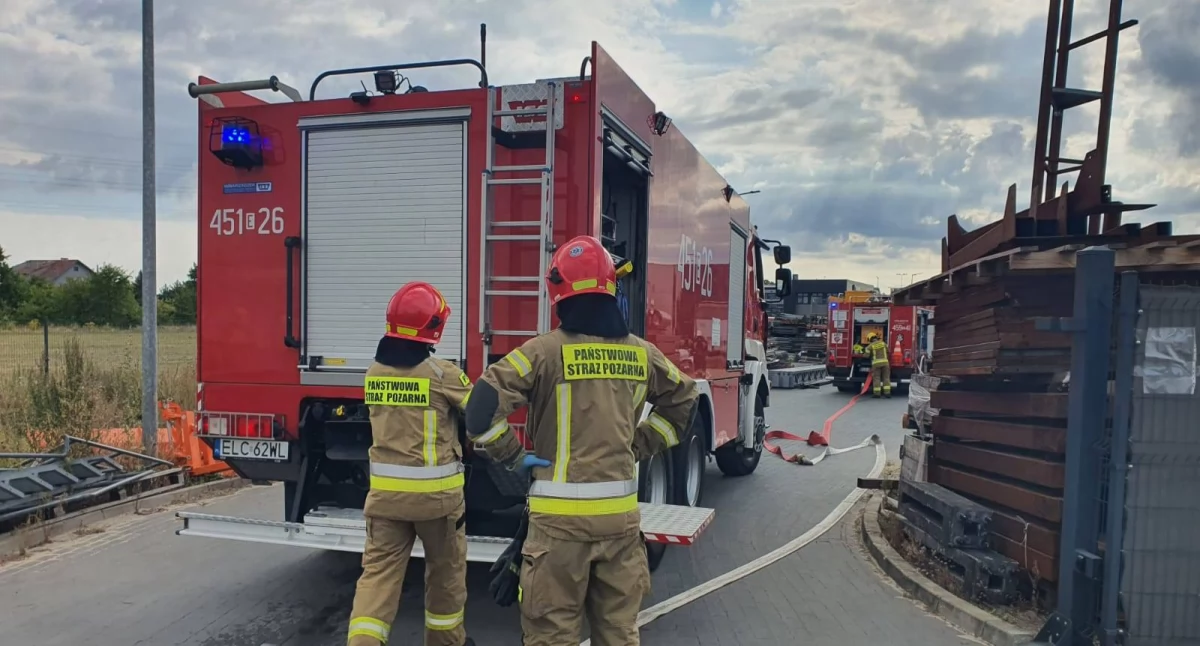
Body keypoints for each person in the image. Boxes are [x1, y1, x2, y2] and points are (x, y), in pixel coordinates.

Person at [464, 235, 699, 646]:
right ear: (611, 289)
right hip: (620, 526)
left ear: (557, 291)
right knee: (619, 635)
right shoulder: (642, 354)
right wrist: (640, 444)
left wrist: (514, 456)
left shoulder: (542, 352)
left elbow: (480, 408)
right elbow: (685, 397)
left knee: (552, 636)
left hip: (558, 530)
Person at [346, 281, 475, 646]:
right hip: (438, 502)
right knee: (445, 577)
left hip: (385, 500)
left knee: (377, 579)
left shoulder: (373, 372)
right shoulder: (442, 374)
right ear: (433, 327)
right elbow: (479, 412)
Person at [867, 333, 891, 398]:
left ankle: (877, 394)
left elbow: (866, 355)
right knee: (886, 378)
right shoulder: (883, 343)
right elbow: (888, 351)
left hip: (876, 364)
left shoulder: (870, 346)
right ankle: (887, 393)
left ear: (870, 339)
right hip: (885, 363)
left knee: (876, 378)